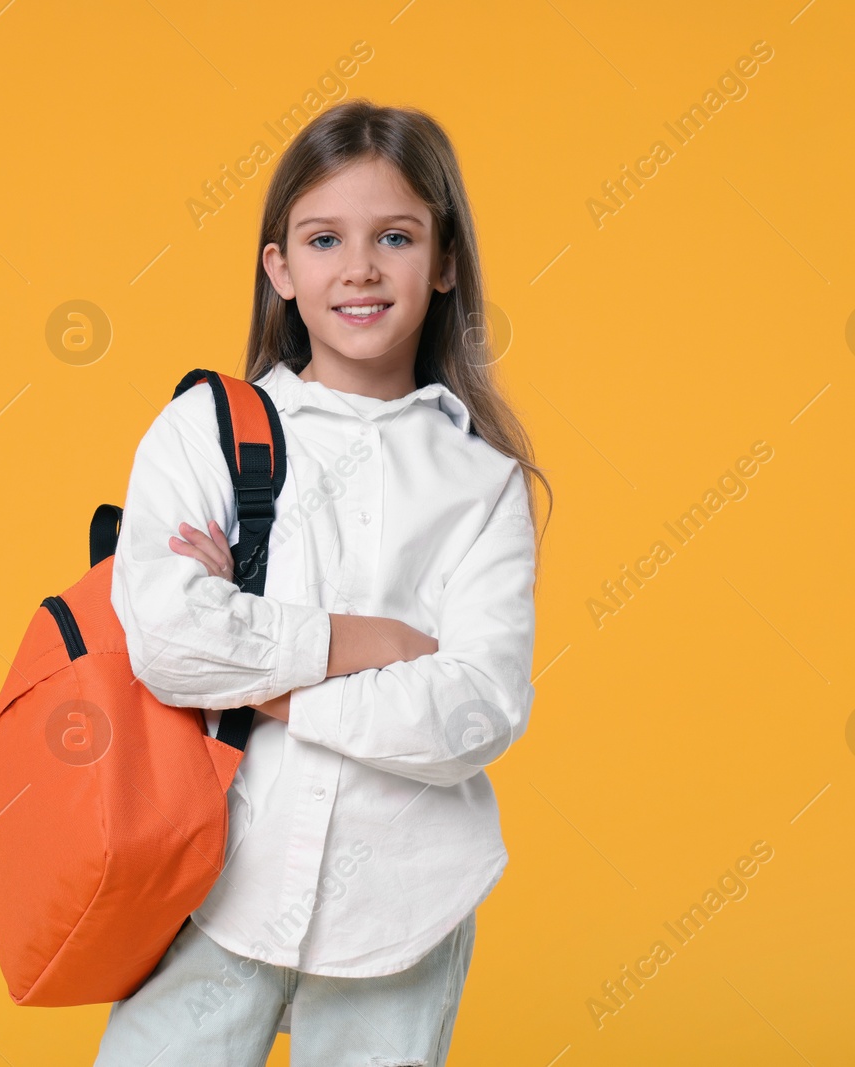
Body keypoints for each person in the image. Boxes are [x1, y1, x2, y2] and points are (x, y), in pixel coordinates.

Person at [96, 97, 552, 1067]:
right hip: (212, 879)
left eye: (394, 236)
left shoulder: (482, 483)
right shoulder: (205, 431)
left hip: (406, 899)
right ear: (280, 268)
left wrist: (262, 676)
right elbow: (168, 638)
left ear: (444, 264)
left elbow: (477, 707)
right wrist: (370, 641)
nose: (358, 267)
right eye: (322, 238)